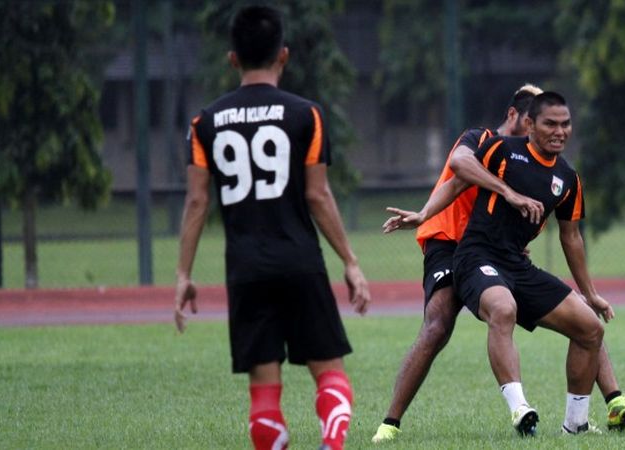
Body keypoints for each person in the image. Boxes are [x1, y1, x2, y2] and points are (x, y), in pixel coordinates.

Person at [173, 6, 370, 450]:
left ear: (232, 58)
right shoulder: (307, 115)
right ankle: (332, 442)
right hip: (301, 261)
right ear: (283, 55)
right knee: (330, 374)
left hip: (246, 269)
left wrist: (184, 275)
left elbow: (197, 201)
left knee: (263, 391)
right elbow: (318, 196)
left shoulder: (205, 122)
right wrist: (351, 262)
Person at [451, 91, 625, 437]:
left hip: (518, 266)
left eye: (565, 124)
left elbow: (571, 238)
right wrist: (507, 192)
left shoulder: (568, 179)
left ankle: (576, 425)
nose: (560, 131)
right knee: (503, 307)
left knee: (590, 328)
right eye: (550, 123)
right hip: (476, 256)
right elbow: (459, 167)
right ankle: (520, 409)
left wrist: (591, 294)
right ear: (530, 124)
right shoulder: (503, 149)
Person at [370, 85, 546, 443]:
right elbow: (459, 166)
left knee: (569, 311)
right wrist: (506, 191)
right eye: (528, 122)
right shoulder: (479, 137)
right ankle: (390, 423)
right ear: (512, 114)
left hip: (491, 250)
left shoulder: (525, 156)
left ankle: (598, 404)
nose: (531, 133)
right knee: (437, 325)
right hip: (449, 241)